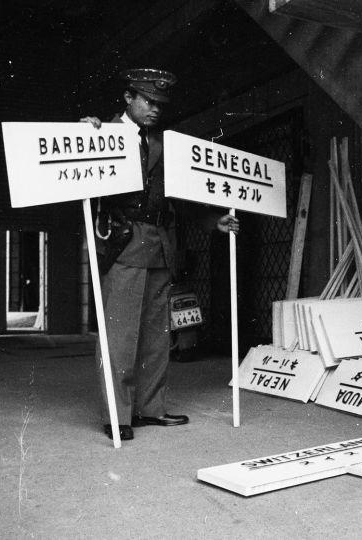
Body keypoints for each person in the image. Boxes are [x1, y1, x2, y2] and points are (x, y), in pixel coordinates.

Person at [81, 68, 239, 441]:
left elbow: (178, 196)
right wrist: (83, 132)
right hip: (122, 245)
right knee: (120, 336)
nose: (154, 109)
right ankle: (118, 416)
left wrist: (212, 221)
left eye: (159, 104)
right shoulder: (99, 133)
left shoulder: (163, 144)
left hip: (159, 245)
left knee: (156, 335)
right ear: (128, 98)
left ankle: (150, 408)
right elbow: (77, 167)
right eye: (148, 101)